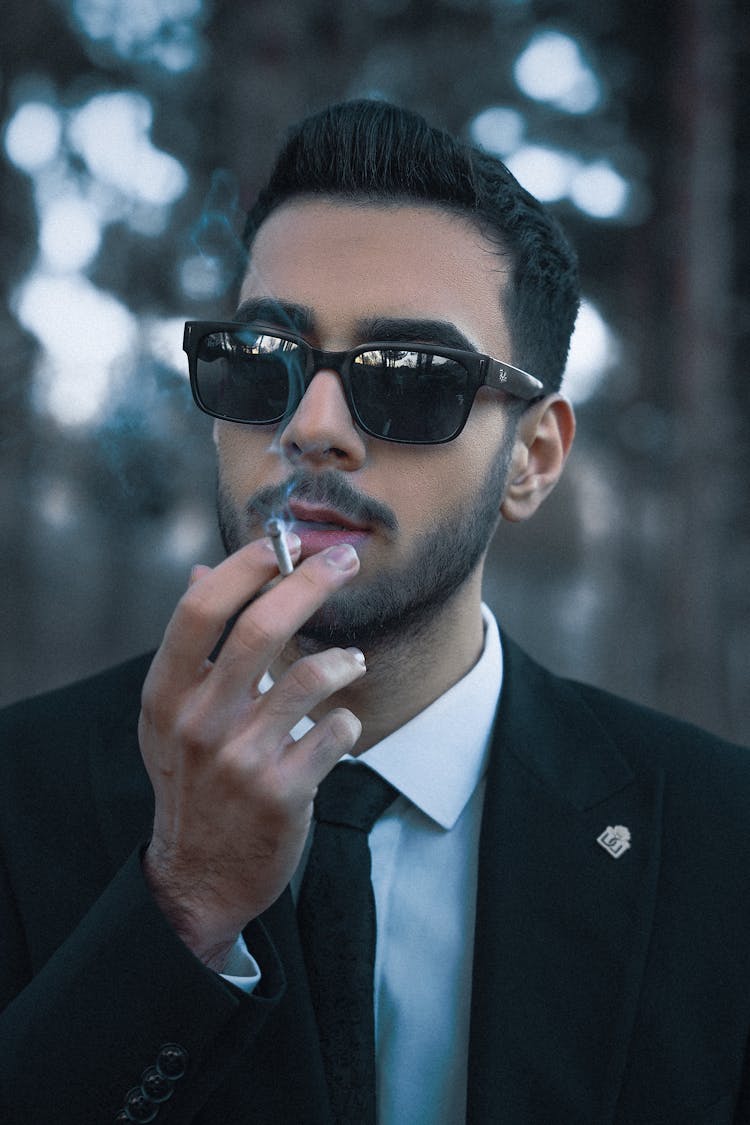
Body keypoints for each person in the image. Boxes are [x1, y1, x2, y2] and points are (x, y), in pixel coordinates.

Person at [1, 100, 749, 1125]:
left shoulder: (719, 840)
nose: (313, 428)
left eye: (408, 378)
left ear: (533, 459)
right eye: (262, 357)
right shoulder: (16, 791)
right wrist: (182, 901)